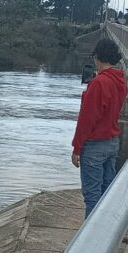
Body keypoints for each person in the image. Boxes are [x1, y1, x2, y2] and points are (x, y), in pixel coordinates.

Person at [71, 38, 127, 218]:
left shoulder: (99, 83)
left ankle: (90, 240)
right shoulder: (120, 81)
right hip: (112, 143)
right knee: (105, 192)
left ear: (97, 57)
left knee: (92, 195)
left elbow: (87, 120)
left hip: (95, 145)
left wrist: (77, 148)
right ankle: (103, 232)